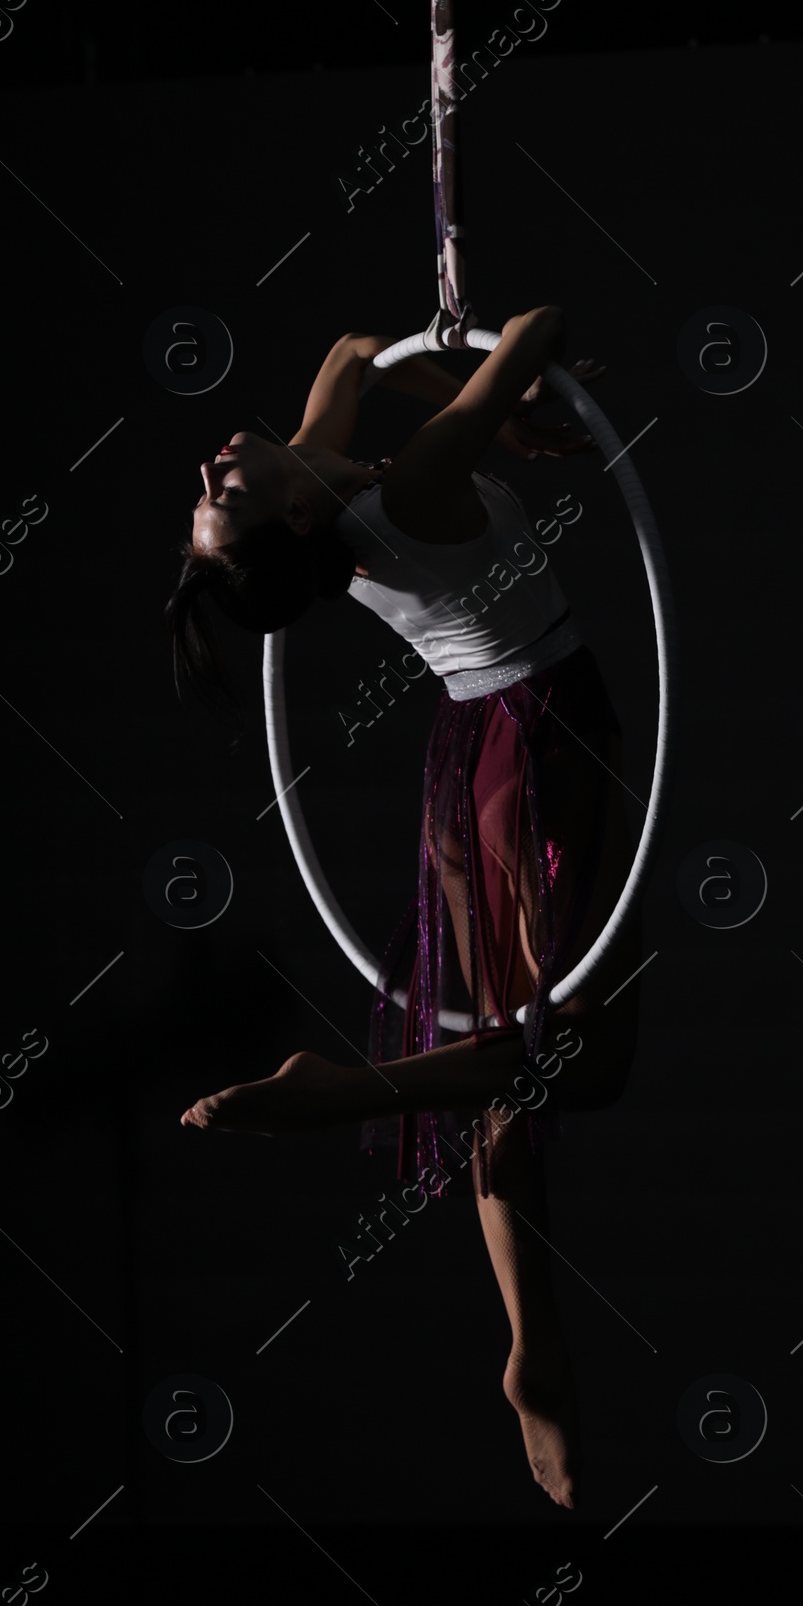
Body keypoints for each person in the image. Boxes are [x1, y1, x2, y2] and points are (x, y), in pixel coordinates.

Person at [166, 307, 645, 1506]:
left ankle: (530, 1342)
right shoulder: (412, 479)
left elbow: (338, 354)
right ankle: (345, 1092)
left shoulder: (325, 485)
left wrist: (487, 397)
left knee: (511, 1065)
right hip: (539, 749)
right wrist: (515, 403)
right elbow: (537, 322)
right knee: (576, 1058)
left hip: (474, 756)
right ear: (285, 516)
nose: (213, 461)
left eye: (209, 481)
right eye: (222, 487)